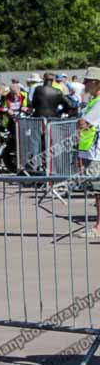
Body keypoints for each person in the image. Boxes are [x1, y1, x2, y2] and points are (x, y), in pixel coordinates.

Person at [77, 67, 100, 238]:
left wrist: (81, 123)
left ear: (96, 82)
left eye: (87, 81)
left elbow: (84, 123)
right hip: (90, 151)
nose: (84, 84)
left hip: (95, 153)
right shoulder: (93, 100)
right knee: (96, 191)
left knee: (98, 191)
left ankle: (99, 227)